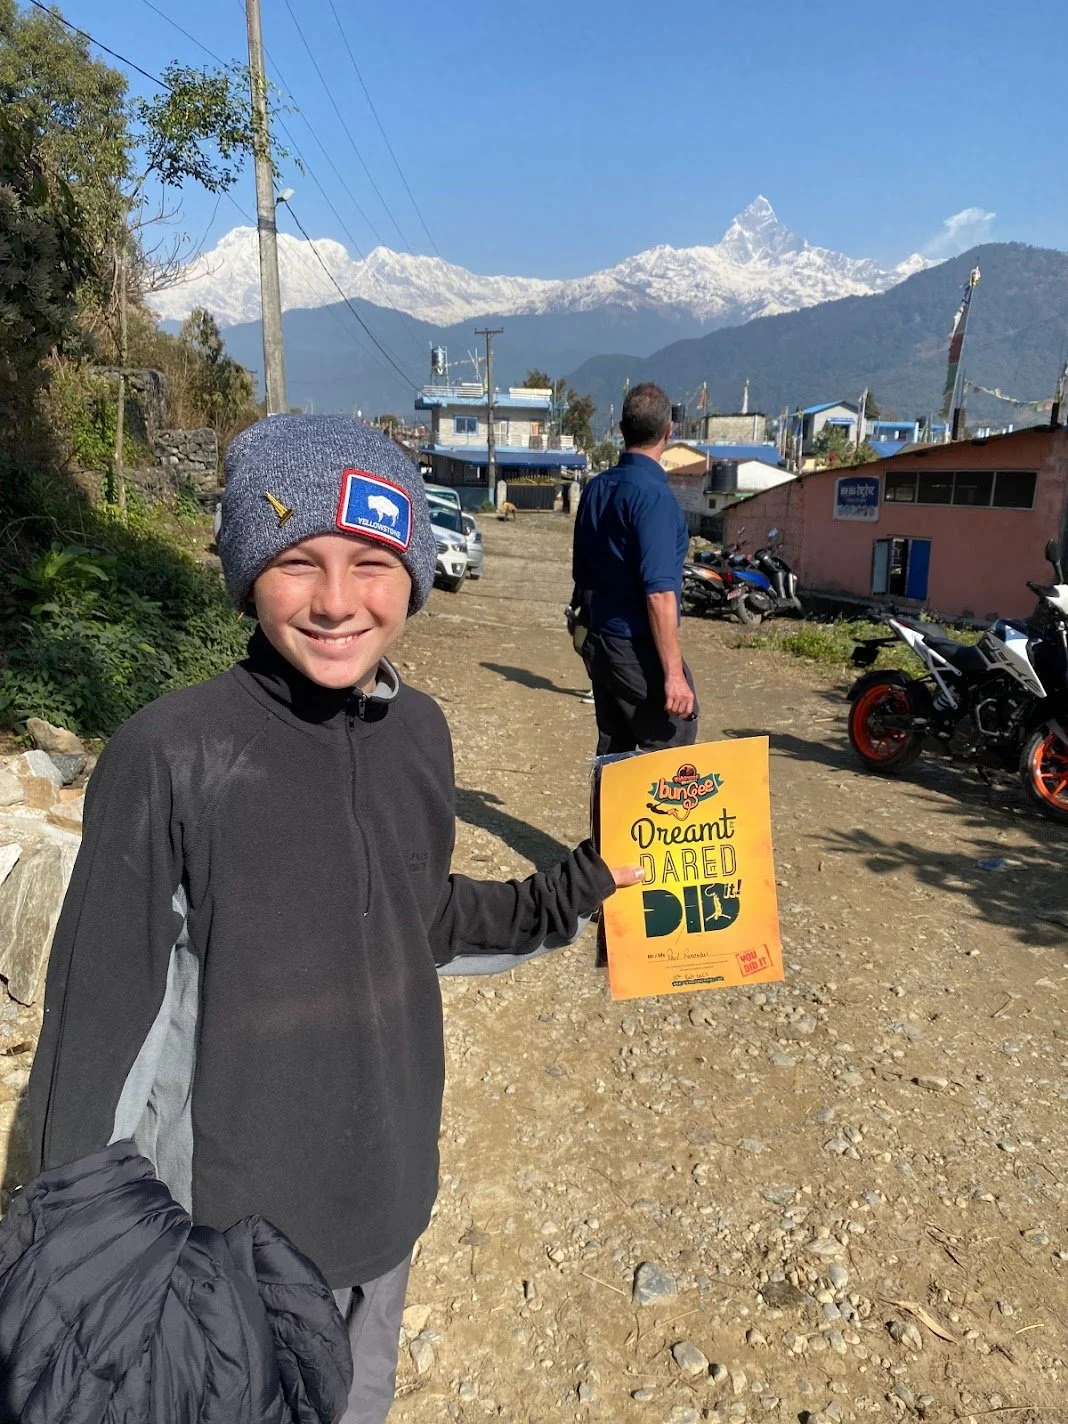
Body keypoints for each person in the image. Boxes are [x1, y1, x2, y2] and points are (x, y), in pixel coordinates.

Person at [27, 416, 641, 1424]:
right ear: (243, 573)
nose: (337, 601)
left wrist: (569, 892)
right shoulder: (170, 753)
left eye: (372, 563)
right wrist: (75, 1265)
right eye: (296, 561)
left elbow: (420, 919)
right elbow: (94, 1026)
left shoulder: (421, 734)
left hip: (385, 1202)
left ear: (414, 574)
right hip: (226, 1242)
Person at [572, 383, 698, 755]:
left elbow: (582, 572)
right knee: (674, 739)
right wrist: (673, 674)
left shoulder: (596, 489)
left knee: (615, 750)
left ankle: (607, 798)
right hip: (634, 643)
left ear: (622, 429)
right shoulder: (654, 498)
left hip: (600, 639)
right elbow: (659, 594)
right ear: (669, 431)